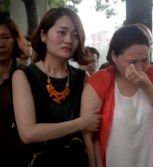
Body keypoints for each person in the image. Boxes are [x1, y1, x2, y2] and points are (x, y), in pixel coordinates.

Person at [11, 7, 101, 167]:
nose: (69, 40)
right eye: (62, 32)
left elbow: (90, 133)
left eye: (75, 35)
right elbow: (28, 133)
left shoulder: (82, 78)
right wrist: (80, 123)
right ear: (43, 35)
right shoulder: (24, 75)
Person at [81, 24, 153, 167]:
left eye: (145, 59)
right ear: (114, 56)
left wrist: (147, 86)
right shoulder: (99, 81)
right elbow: (88, 135)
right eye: (132, 62)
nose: (140, 68)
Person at [0, 11, 30, 166]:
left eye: (6, 38)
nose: (1, 44)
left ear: (15, 39)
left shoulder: (27, 77)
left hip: (20, 158)